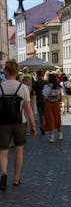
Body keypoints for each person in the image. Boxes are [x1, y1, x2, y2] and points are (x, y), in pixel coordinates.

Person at [0, 59, 37, 191]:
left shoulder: (1, 86)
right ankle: (16, 179)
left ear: (6, 71)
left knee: (3, 151)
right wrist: (33, 125)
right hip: (19, 123)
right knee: (19, 150)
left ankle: (4, 173)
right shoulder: (23, 88)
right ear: (17, 72)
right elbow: (28, 109)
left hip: (3, 123)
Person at [42, 73, 63, 143]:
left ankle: (52, 136)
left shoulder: (46, 87)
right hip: (56, 103)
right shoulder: (58, 86)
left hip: (49, 104)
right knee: (57, 118)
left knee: (50, 118)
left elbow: (44, 97)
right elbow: (60, 96)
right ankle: (59, 133)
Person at [32, 70, 47, 135]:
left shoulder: (35, 83)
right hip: (45, 100)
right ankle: (44, 126)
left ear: (37, 76)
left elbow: (33, 92)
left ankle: (42, 125)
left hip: (38, 100)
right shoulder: (46, 82)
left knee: (40, 114)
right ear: (42, 75)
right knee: (44, 113)